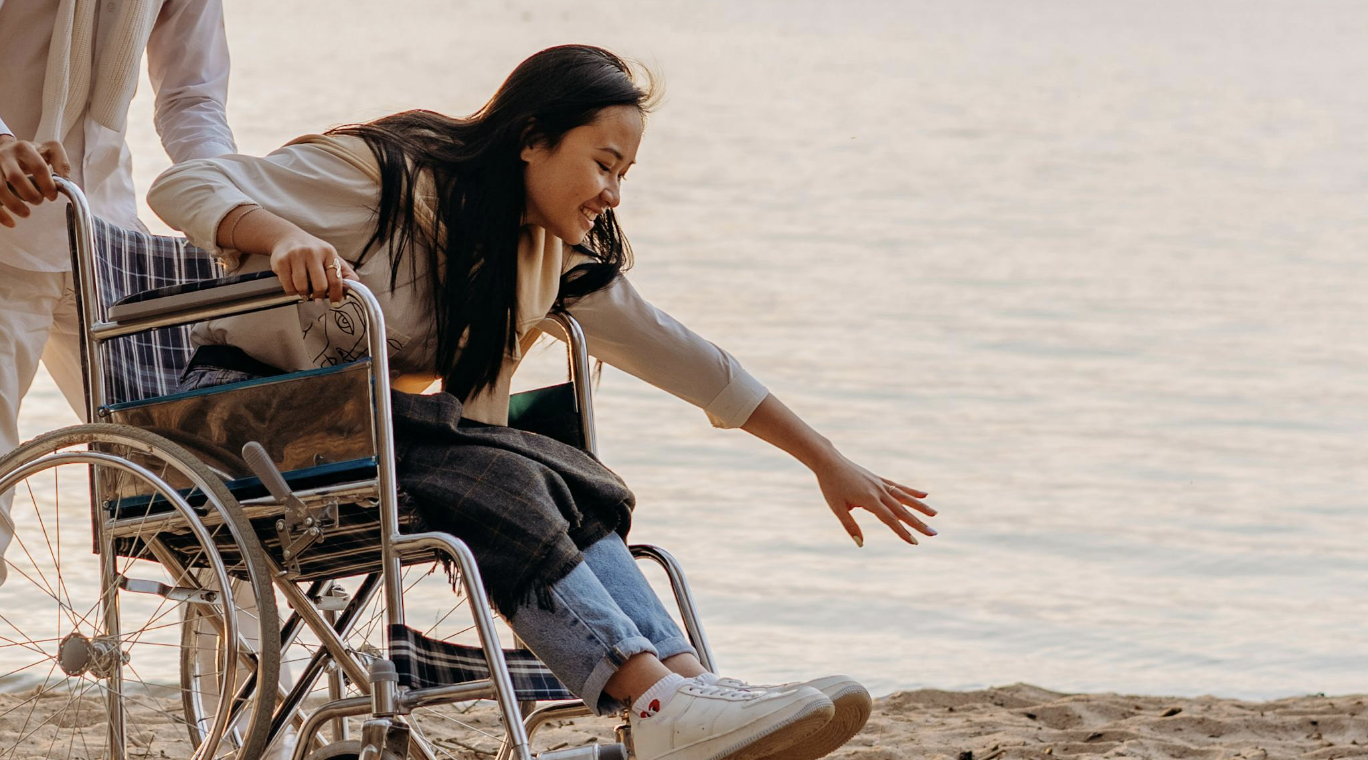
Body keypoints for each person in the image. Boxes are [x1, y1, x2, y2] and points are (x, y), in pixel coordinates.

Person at [148, 44, 937, 760]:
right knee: (495, 472)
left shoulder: (541, 251)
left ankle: (686, 688)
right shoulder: (383, 177)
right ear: (532, 139)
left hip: (363, 429)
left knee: (563, 467)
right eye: (604, 163)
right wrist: (282, 235)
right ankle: (654, 698)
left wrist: (825, 460)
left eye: (625, 173)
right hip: (242, 416)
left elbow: (684, 355)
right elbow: (182, 183)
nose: (613, 192)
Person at [0, 0, 236, 586]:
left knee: (203, 484)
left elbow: (192, 98)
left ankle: (250, 672)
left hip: (105, 242)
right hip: (4, 241)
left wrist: (230, 208)